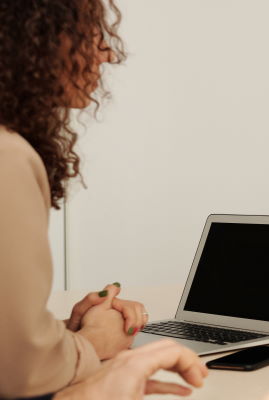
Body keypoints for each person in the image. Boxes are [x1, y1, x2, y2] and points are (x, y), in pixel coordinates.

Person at [0, 0, 150, 397]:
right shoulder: (6, 155)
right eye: (92, 33)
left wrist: (57, 336)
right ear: (37, 39)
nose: (108, 53)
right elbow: (16, 371)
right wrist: (93, 344)